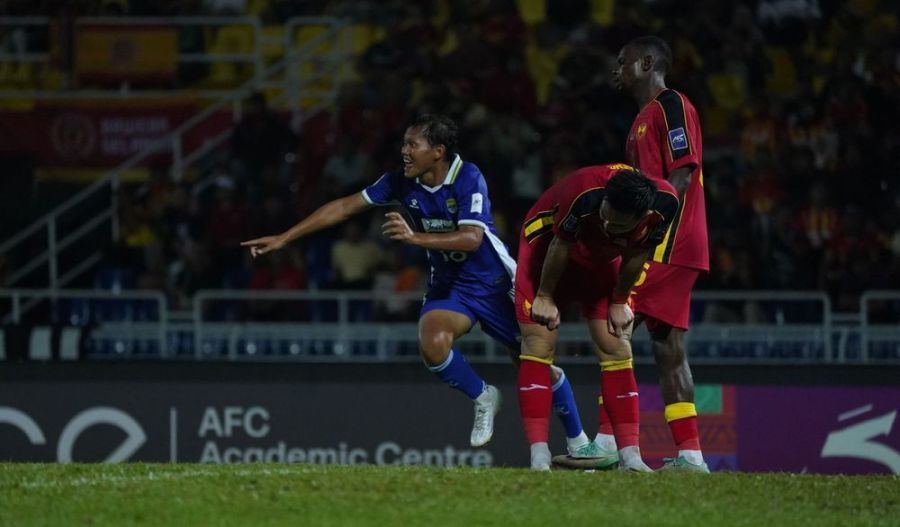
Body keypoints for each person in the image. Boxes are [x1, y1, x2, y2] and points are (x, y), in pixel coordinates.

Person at [242, 114, 591, 454]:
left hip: (496, 283)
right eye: (404, 144)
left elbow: (471, 239)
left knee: (534, 365)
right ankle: (484, 396)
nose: (404, 151)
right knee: (433, 344)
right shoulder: (399, 181)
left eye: (412, 144)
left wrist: (414, 237)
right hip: (451, 286)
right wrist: (286, 237)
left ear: (437, 150)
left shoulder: (468, 176)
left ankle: (579, 442)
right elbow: (345, 207)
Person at [515, 164, 679, 471]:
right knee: (538, 343)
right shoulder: (585, 192)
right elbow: (560, 244)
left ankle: (631, 459)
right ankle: (539, 458)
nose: (606, 223)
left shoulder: (665, 205)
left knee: (617, 345)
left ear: (640, 217)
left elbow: (638, 254)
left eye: (616, 224)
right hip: (546, 248)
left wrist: (619, 300)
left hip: (600, 258)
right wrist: (545, 296)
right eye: (603, 215)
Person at [611, 36, 710, 472]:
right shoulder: (639, 121)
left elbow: (683, 174)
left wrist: (649, 234)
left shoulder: (670, 105)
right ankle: (691, 457)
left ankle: (610, 445)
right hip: (675, 243)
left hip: (668, 241)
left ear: (647, 62)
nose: (617, 68)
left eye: (623, 61)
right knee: (669, 348)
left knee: (612, 321)